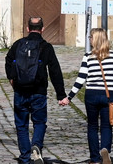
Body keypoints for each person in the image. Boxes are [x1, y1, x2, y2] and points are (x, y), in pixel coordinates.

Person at [5, 16, 70, 164]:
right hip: (39, 91)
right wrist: (61, 94)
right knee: (39, 122)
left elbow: (8, 60)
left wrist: (12, 78)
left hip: (20, 90)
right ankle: (36, 146)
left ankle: (25, 157)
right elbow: (55, 71)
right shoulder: (45, 47)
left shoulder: (18, 44)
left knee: (21, 124)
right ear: (42, 29)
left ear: (28, 28)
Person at [75, 28, 113, 164]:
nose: (89, 40)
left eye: (91, 37)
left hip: (91, 95)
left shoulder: (88, 56)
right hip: (108, 95)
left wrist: (69, 97)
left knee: (92, 126)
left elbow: (81, 79)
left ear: (96, 39)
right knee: (106, 126)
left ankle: (94, 159)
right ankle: (105, 149)